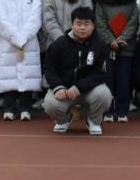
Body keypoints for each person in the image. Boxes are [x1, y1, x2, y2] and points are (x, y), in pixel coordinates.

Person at [42, 7, 112, 136]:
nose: (82, 28)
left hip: (89, 90)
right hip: (65, 90)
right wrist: (58, 87)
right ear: (72, 25)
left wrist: (79, 88)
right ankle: (63, 120)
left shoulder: (100, 45)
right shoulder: (60, 43)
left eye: (86, 24)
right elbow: (49, 67)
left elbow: (101, 73)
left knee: (104, 94)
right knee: (50, 103)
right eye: (78, 23)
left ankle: (94, 121)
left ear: (93, 26)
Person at [0, 0, 44, 121]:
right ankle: (9, 108)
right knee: (9, 76)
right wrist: (15, 37)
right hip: (8, 44)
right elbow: (1, 20)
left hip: (28, 43)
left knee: (27, 75)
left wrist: (23, 37)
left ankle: (25, 108)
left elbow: (36, 20)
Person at [95, 0, 139, 123]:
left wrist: (122, 38)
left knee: (124, 80)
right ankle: (108, 110)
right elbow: (99, 23)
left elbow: (134, 21)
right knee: (108, 80)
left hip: (126, 47)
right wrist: (110, 40)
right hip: (107, 48)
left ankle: (122, 111)